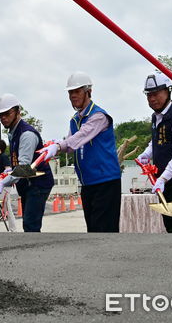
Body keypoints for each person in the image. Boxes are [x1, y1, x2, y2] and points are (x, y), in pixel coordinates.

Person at [39, 72, 122, 232]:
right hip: (88, 183)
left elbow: (80, 137)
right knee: (93, 230)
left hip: (105, 182)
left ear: (88, 91)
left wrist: (57, 146)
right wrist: (55, 146)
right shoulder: (75, 120)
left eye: (77, 91)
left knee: (104, 232)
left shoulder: (98, 116)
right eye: (70, 92)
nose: (73, 96)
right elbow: (70, 145)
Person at [137, 72, 172, 233]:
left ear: (167, 91)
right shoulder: (157, 117)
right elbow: (155, 142)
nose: (152, 99)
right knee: (169, 225)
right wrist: (146, 154)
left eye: (156, 94)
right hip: (164, 182)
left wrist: (162, 178)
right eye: (149, 95)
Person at [0, 94, 54, 232]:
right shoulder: (13, 132)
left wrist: (2, 183)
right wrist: (8, 172)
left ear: (18, 112)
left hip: (38, 183)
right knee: (29, 223)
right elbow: (17, 163)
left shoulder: (26, 134)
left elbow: (23, 168)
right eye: (0, 115)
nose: (3, 118)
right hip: (28, 184)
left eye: (7, 113)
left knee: (31, 225)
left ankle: (35, 252)